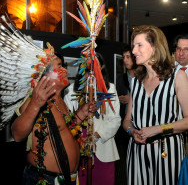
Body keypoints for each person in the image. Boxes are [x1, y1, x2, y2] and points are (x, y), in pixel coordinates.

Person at [11, 54, 96, 185]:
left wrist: (81, 113)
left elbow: (66, 128)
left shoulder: (60, 101)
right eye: (60, 66)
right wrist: (35, 104)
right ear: (45, 76)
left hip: (69, 178)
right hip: (45, 179)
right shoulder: (33, 101)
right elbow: (17, 135)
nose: (66, 70)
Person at [123, 25, 188, 185]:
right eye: (133, 46)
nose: (134, 51)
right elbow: (127, 120)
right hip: (137, 152)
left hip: (168, 151)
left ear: (154, 47)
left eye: (139, 45)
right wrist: (132, 132)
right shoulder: (137, 80)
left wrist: (159, 129)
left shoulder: (177, 77)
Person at [64, 53, 121, 185]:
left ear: (101, 67)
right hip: (78, 145)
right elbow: (67, 122)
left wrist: (95, 136)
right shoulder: (71, 91)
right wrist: (79, 138)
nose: (91, 70)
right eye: (87, 66)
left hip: (103, 145)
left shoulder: (110, 89)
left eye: (95, 66)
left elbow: (115, 119)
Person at [114, 44, 136, 185]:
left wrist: (132, 99)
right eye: (124, 58)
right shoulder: (120, 78)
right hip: (123, 124)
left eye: (128, 57)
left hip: (140, 124)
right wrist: (120, 100)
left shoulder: (144, 77)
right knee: (123, 161)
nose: (126, 60)